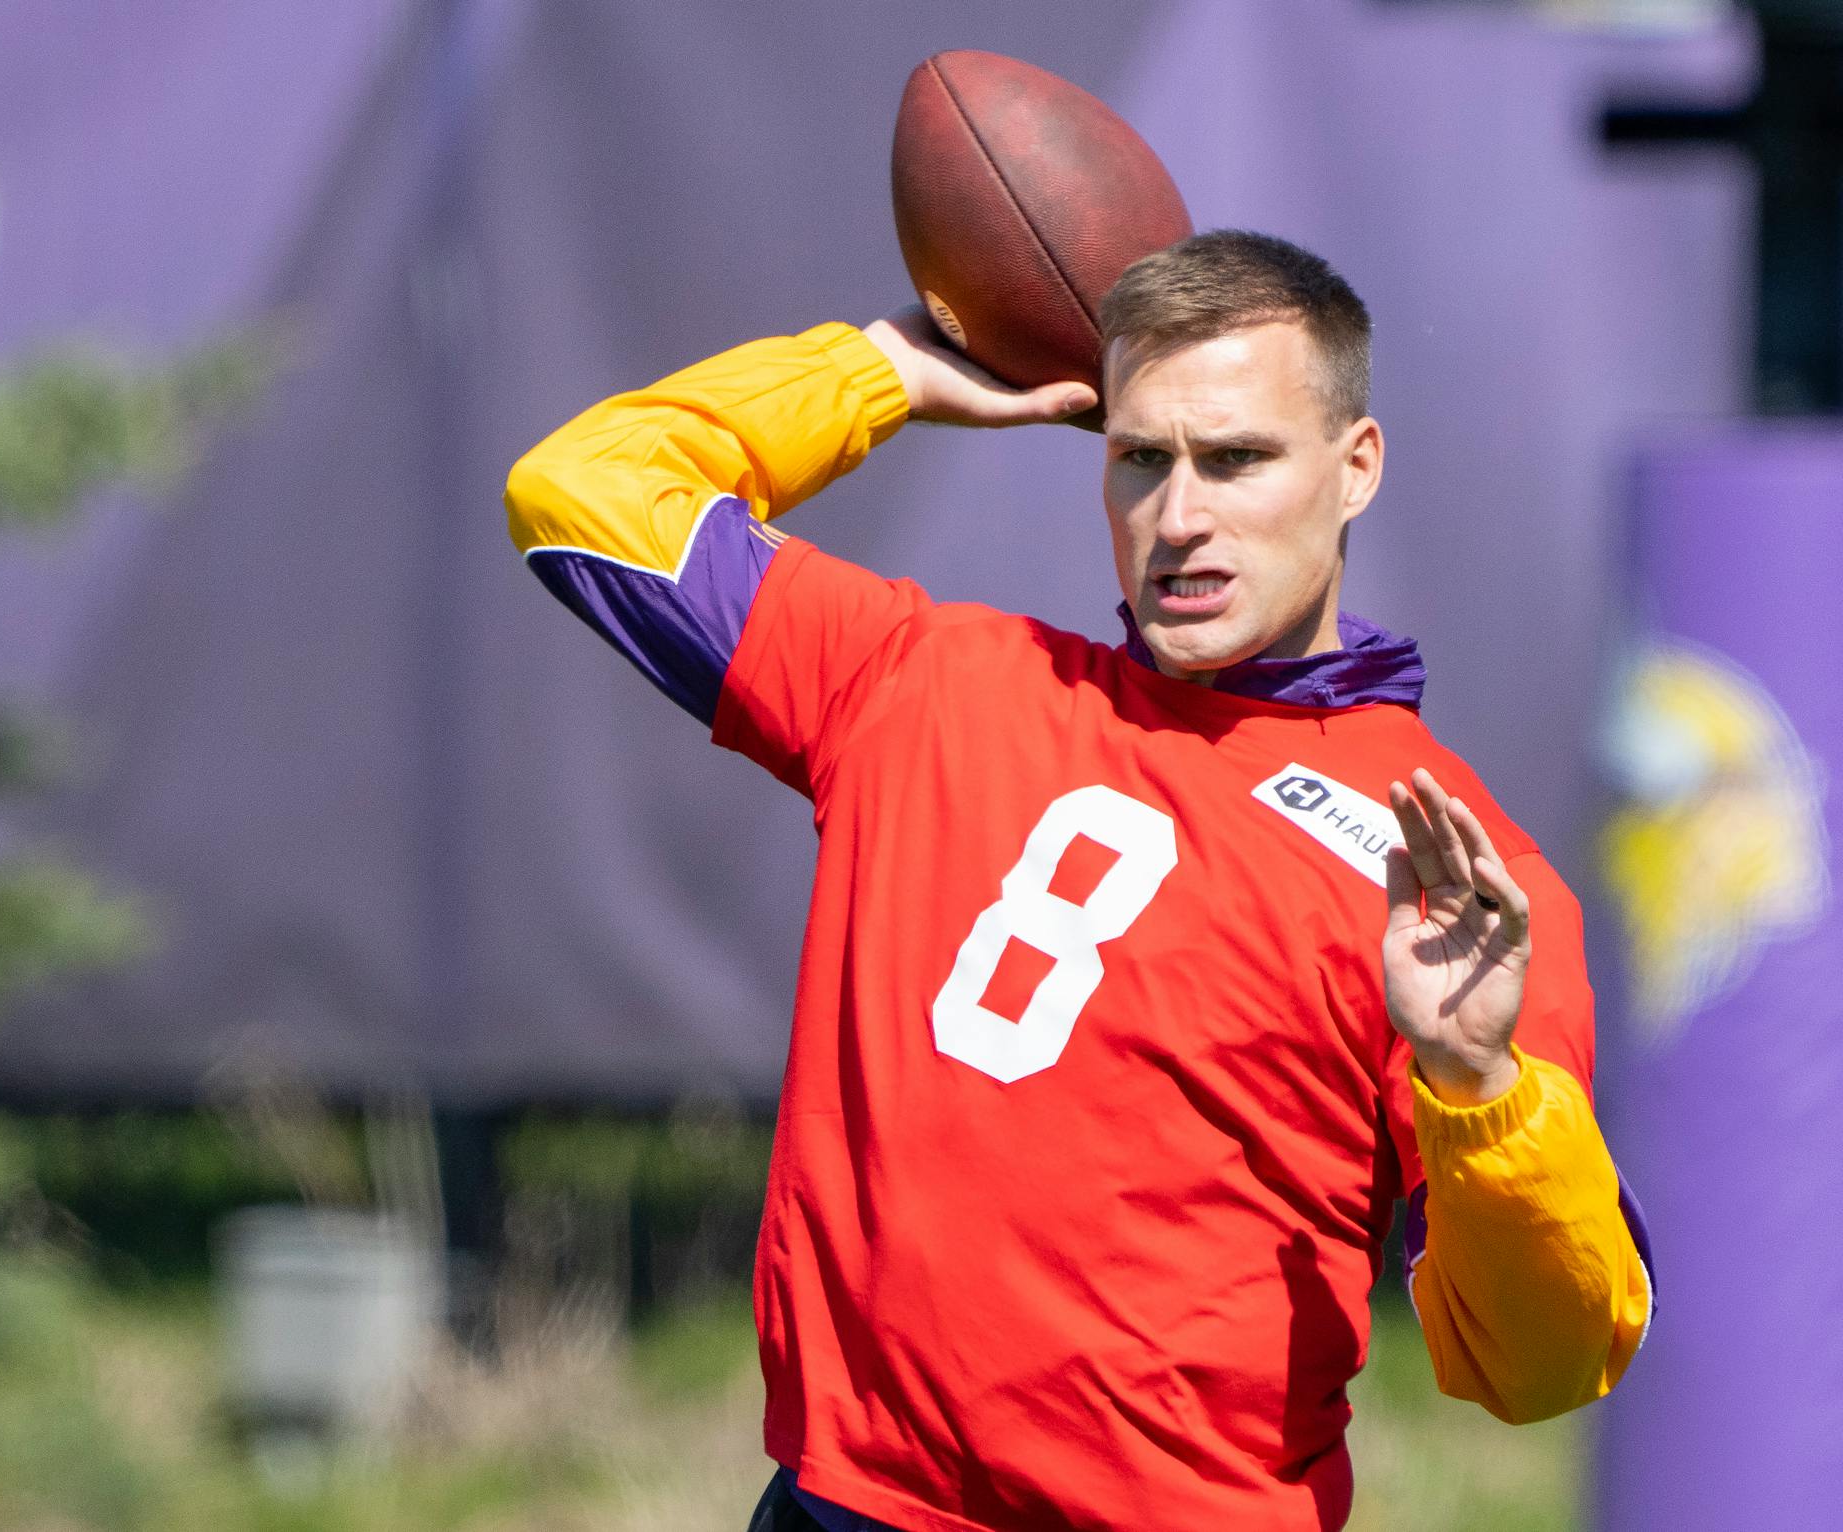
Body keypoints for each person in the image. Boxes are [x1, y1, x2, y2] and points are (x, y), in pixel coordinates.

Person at [503, 231, 1653, 1532]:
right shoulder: (919, 682)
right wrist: (884, 369)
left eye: (1237, 459)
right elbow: (583, 489)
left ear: (1356, 468)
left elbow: (1544, 1367)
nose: (1180, 517)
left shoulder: (1451, 881)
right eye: (1141, 459)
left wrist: (1478, 1085)